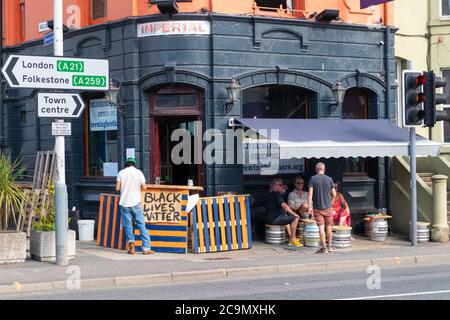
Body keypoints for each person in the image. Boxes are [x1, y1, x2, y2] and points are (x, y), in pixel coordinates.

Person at [115, 157, 154, 255]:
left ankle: (131, 246)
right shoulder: (139, 173)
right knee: (141, 224)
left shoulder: (121, 173)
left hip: (124, 202)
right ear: (134, 164)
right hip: (136, 202)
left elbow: (117, 188)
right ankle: (146, 248)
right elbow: (144, 187)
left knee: (127, 225)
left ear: (126, 164)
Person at [308, 162, 336, 254]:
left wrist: (309, 206)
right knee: (328, 226)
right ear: (324, 169)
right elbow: (334, 194)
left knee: (321, 226)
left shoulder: (313, 179)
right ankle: (330, 246)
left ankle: (324, 247)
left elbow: (310, 194)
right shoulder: (329, 179)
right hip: (328, 207)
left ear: (316, 170)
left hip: (317, 208)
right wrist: (331, 203)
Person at [266, 178, 303, 247]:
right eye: (280, 185)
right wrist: (294, 213)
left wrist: (283, 189)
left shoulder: (272, 194)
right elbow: (284, 205)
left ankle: (290, 237)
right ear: (274, 186)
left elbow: (282, 202)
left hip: (271, 218)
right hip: (274, 219)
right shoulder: (276, 193)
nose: (282, 186)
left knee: (285, 214)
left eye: (282, 185)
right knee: (295, 218)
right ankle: (293, 239)